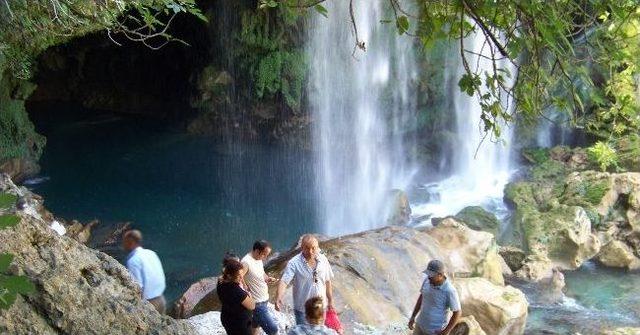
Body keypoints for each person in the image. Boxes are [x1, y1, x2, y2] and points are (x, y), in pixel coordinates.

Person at [276, 234, 334, 325]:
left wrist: (330, 300)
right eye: (307, 248)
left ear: (317, 247)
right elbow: (284, 281)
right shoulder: (294, 263)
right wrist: (279, 296)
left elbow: (328, 281)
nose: (310, 251)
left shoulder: (323, 260)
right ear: (302, 247)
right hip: (302, 309)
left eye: (313, 248)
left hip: (320, 308)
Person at [408, 260, 461, 335]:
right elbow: (421, 298)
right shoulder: (427, 281)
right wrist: (413, 317)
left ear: (440, 275)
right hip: (420, 326)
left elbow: (457, 313)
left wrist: (446, 331)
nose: (429, 277)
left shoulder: (450, 291)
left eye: (431, 275)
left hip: (435, 331)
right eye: (428, 274)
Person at [122, 230, 167, 314]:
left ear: (130, 243)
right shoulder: (151, 253)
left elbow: (137, 286)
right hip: (161, 299)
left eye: (124, 242)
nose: (123, 245)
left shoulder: (133, 261)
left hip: (150, 305)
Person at [241, 240, 279, 335]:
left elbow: (262, 273)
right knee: (273, 329)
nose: (265, 257)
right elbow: (239, 276)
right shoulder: (246, 262)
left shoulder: (258, 259)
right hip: (257, 303)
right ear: (257, 251)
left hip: (264, 299)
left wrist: (267, 278)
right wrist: (245, 287)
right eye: (264, 254)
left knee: (255, 325)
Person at [217, 258, 256, 335]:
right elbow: (252, 306)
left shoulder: (221, 281)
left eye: (242, 275)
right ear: (229, 275)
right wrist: (249, 294)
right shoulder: (236, 291)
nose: (241, 278)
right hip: (239, 324)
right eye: (238, 276)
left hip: (227, 318)